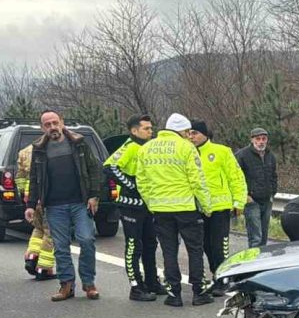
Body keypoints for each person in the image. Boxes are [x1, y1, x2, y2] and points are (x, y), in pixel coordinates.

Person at [136, 113, 213, 307]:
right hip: (186, 208)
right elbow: (197, 179)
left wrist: (151, 203)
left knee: (169, 251)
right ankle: (199, 292)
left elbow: (142, 181)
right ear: (181, 130)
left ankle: (174, 294)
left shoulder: (146, 148)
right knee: (195, 250)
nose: (189, 135)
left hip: (160, 210)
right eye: (187, 132)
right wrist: (206, 206)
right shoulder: (186, 148)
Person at [25, 110, 103, 302]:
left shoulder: (79, 143)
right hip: (54, 206)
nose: (52, 127)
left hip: (80, 203)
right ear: (42, 127)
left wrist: (93, 196)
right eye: (47, 124)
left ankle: (88, 283)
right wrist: (30, 205)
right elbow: (34, 178)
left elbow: (94, 169)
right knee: (60, 247)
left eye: (54, 122)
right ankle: (66, 285)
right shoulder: (39, 149)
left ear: (62, 122)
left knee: (86, 240)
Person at [104, 115, 165, 301]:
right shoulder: (130, 147)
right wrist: (132, 185)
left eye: (151, 128)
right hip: (131, 206)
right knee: (133, 246)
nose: (150, 131)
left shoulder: (146, 147)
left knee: (150, 243)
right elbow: (109, 166)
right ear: (134, 130)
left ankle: (152, 281)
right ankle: (136, 286)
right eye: (146, 128)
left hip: (148, 204)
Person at [188, 120, 247, 290]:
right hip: (198, 209)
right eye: (190, 133)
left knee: (219, 246)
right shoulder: (188, 152)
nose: (192, 137)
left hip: (219, 208)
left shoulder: (221, 151)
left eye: (195, 133)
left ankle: (223, 280)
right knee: (205, 245)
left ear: (204, 134)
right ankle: (214, 276)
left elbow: (236, 177)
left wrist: (238, 201)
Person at [16, 143, 55, 281]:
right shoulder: (49, 150)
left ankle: (32, 256)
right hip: (43, 195)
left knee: (38, 228)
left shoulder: (24, 152)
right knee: (50, 232)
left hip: (30, 196)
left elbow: (20, 177)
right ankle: (44, 268)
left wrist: (24, 194)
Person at [236, 127, 277, 248]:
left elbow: (274, 175)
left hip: (267, 200)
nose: (261, 142)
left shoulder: (270, 156)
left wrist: (272, 192)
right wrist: (246, 195)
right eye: (258, 139)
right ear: (252, 139)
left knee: (264, 236)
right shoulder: (242, 155)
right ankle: (253, 264)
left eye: (264, 139)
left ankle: (262, 261)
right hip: (251, 200)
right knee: (256, 237)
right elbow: (236, 177)